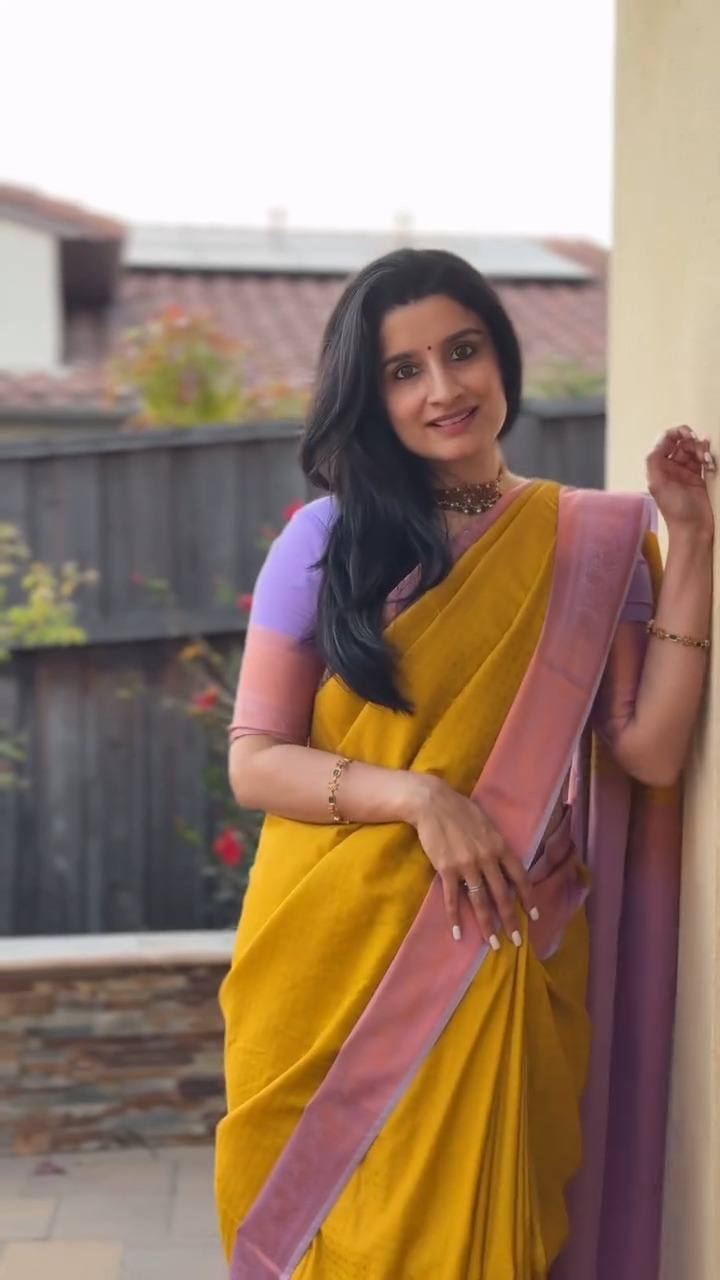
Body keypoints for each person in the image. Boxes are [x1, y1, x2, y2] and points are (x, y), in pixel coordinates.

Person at [215, 248, 713, 1280]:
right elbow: (255, 761)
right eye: (404, 370)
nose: (443, 388)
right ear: (371, 394)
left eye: (463, 350)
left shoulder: (591, 542)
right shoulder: (328, 540)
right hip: (329, 962)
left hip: (497, 948)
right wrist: (417, 797)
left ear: (502, 356)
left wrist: (693, 541)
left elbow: (651, 751)